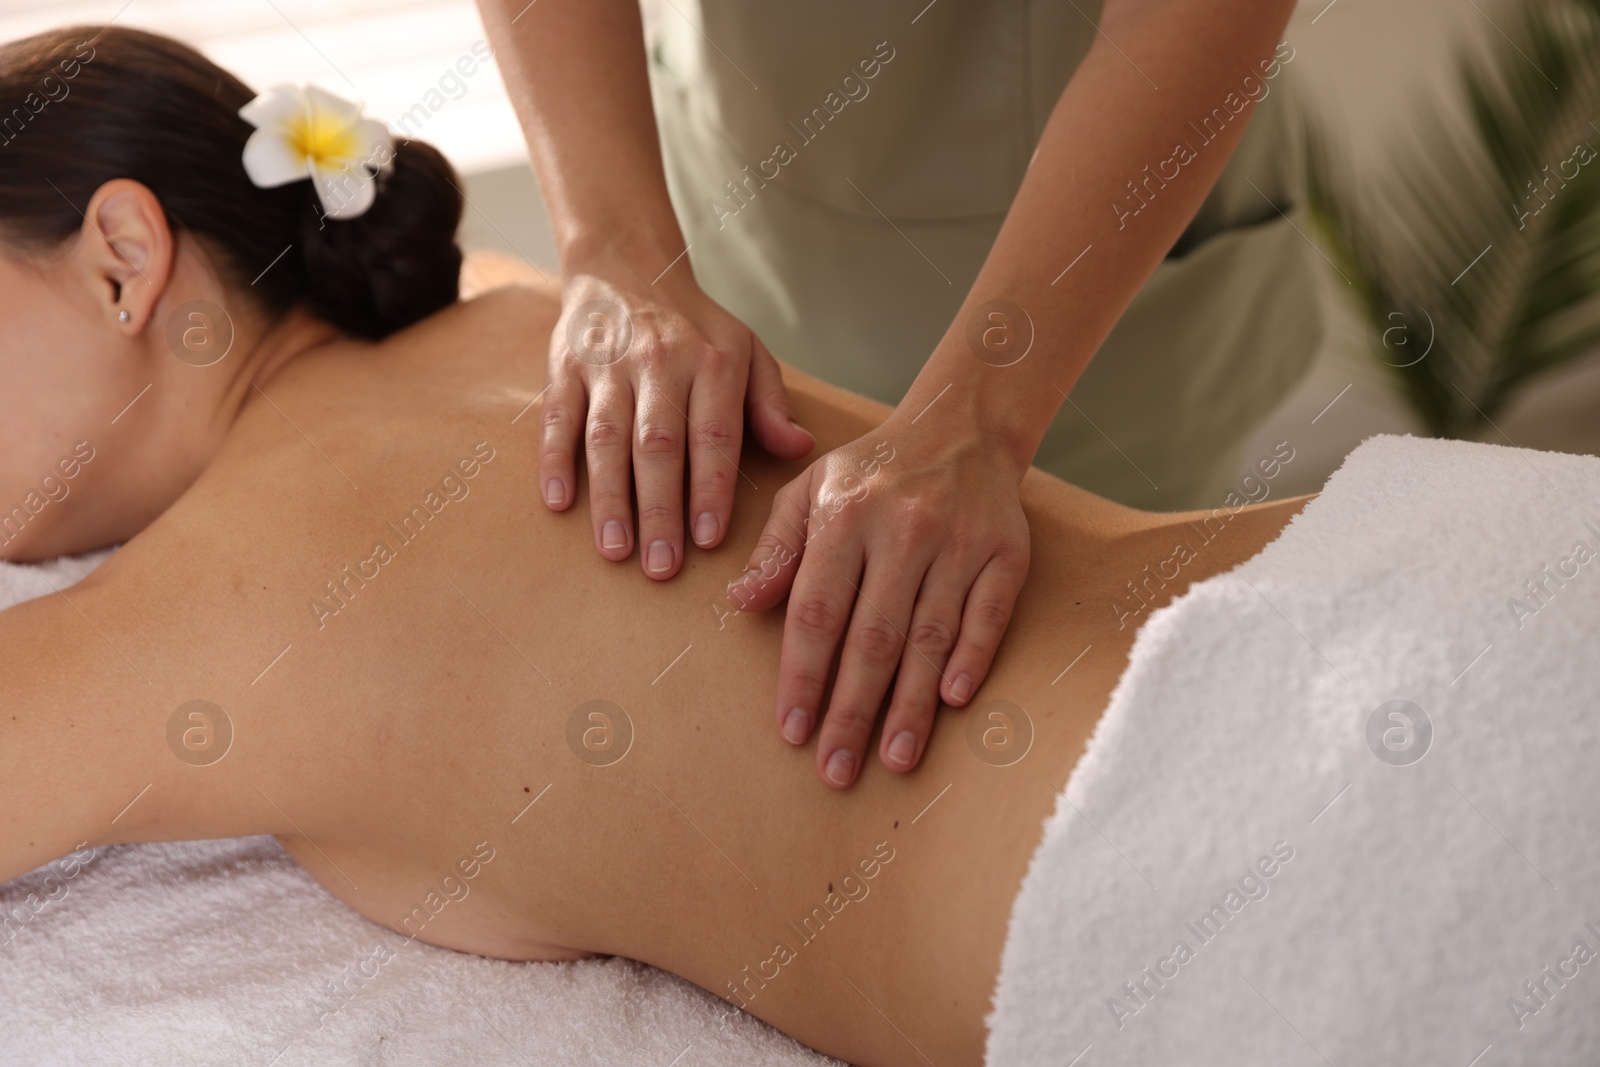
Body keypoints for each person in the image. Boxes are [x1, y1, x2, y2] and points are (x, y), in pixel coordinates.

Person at [0, 27, 1311, 1067]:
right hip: (1351, 573)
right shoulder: (526, 319)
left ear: (122, 257)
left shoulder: (217, 596)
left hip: (1247, 859)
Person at [479, 0, 1321, 789]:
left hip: (1102, 278)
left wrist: (980, 418)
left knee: (1103, 731)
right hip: (744, 202)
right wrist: (616, 252)